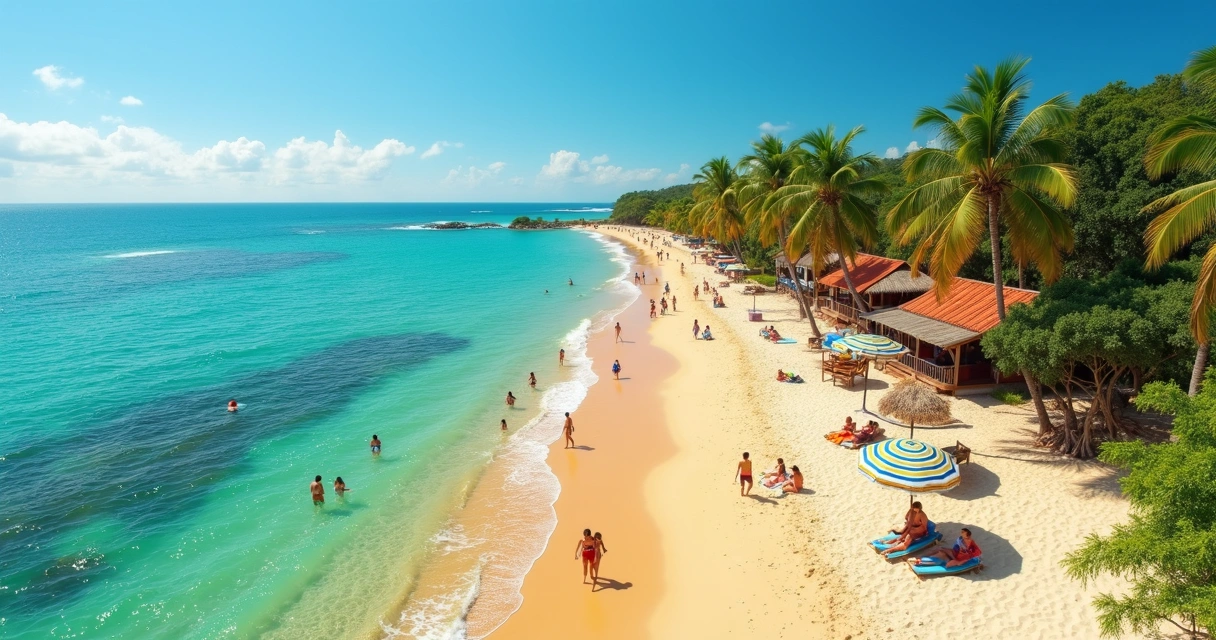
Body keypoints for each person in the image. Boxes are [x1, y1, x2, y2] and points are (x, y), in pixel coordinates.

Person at [911, 528, 982, 568]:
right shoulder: (962, 540)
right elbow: (956, 550)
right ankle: (921, 558)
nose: (961, 534)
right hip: (953, 554)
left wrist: (955, 560)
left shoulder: (968, 545)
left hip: (954, 558)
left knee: (940, 556)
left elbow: (956, 563)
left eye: (963, 533)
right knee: (940, 550)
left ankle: (919, 561)